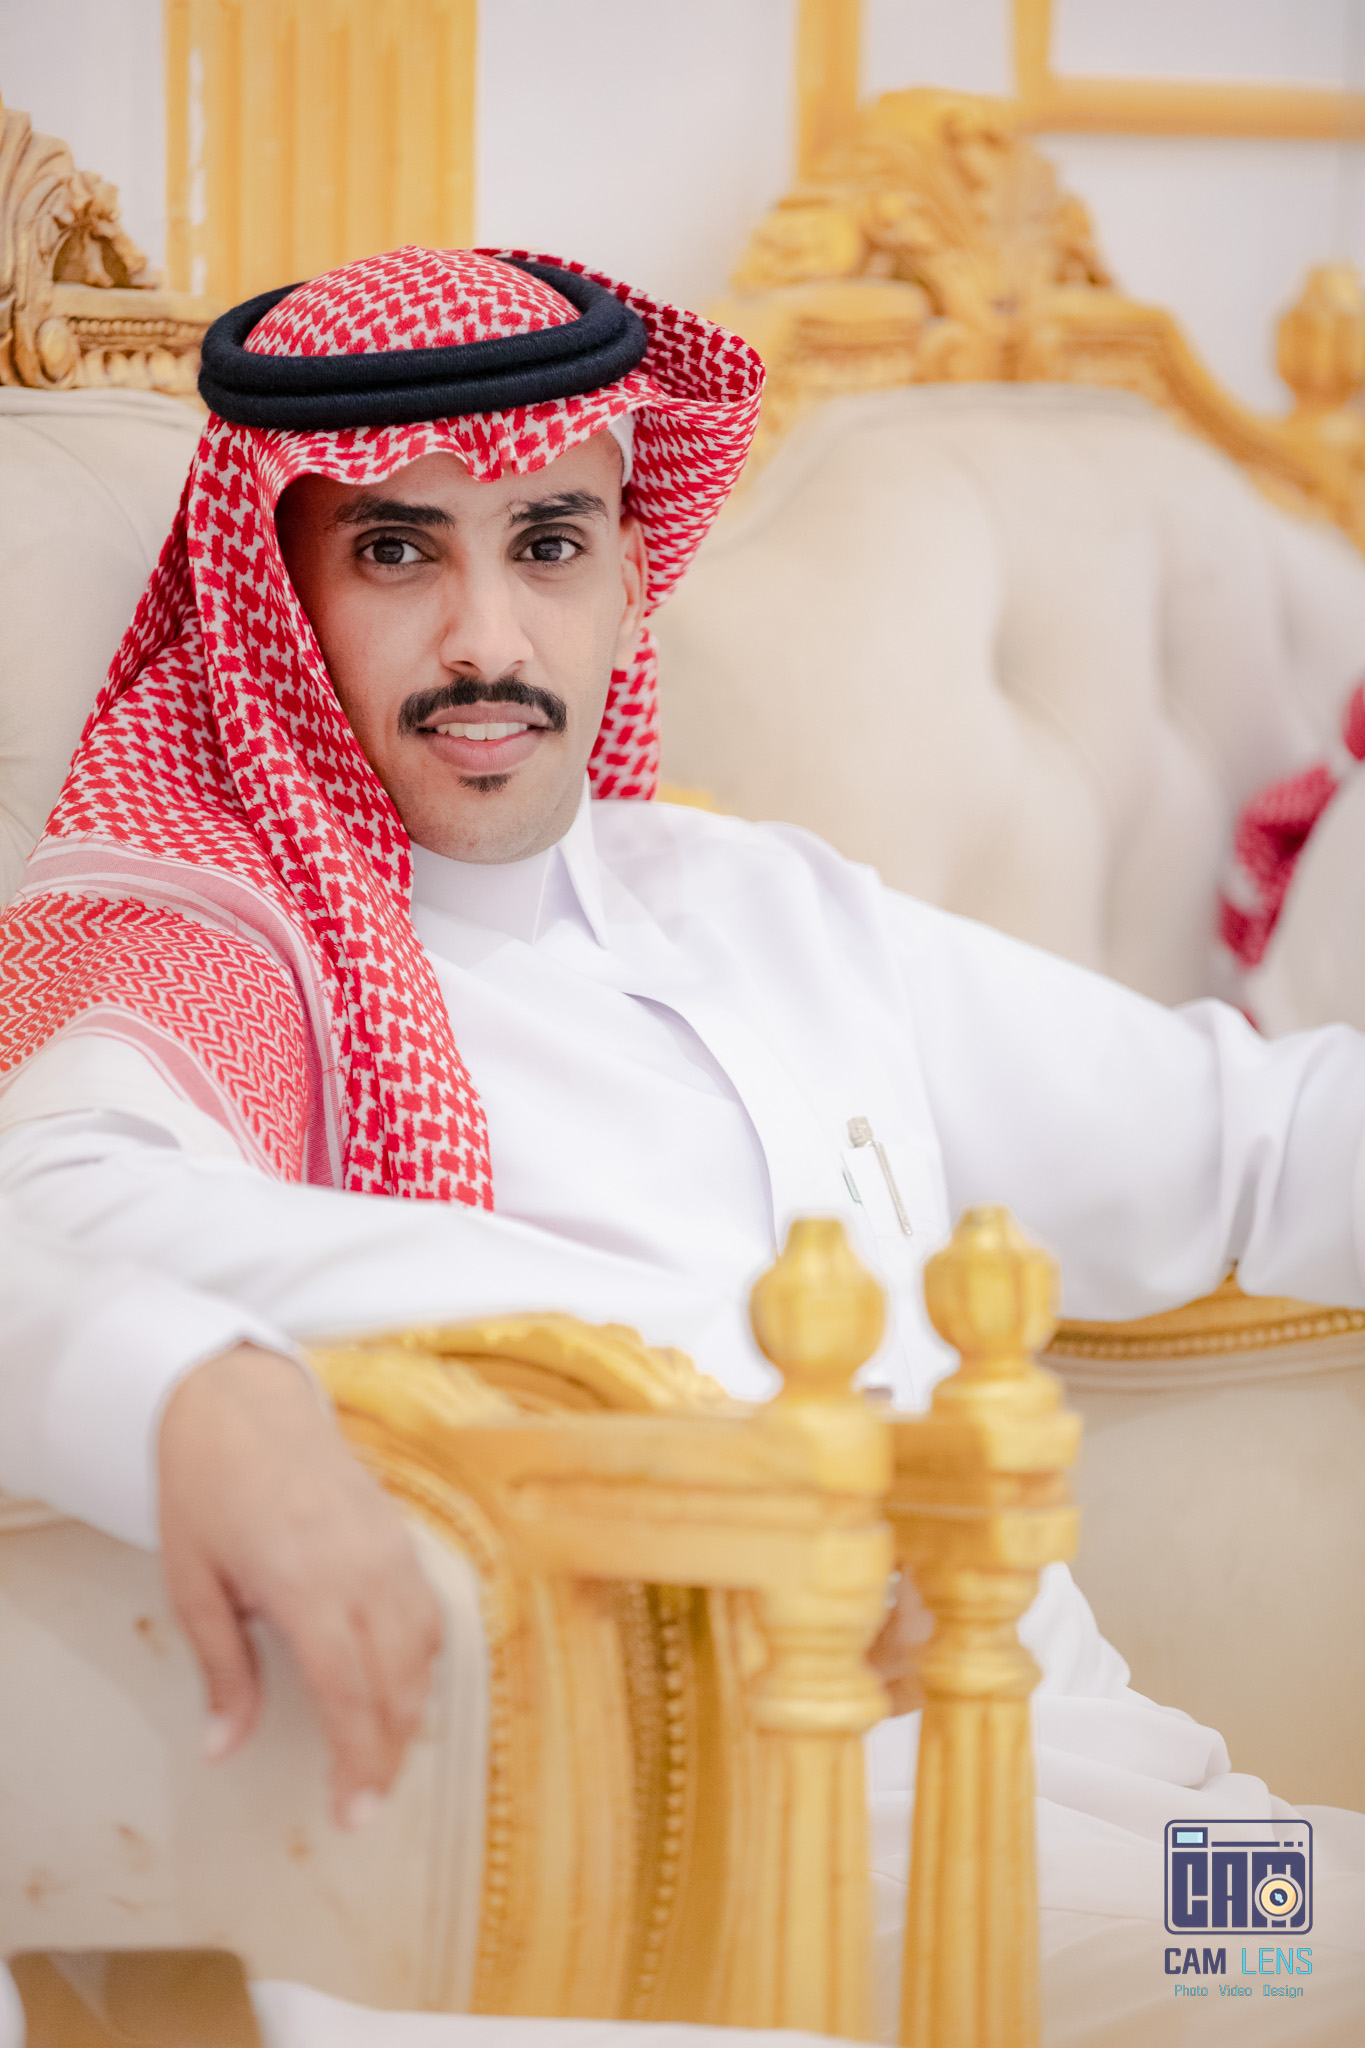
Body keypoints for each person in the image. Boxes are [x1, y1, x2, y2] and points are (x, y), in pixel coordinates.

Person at [1, 246, 1363, 2040]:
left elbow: (1253, 1139)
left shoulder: (763, 902)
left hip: (1150, 1816)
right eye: (398, 551)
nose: (487, 641)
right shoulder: (229, 942)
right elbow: (50, 1213)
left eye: (546, 543)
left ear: (632, 567)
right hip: (799, 1862)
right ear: (281, 591)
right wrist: (203, 1391)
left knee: (1318, 1950)